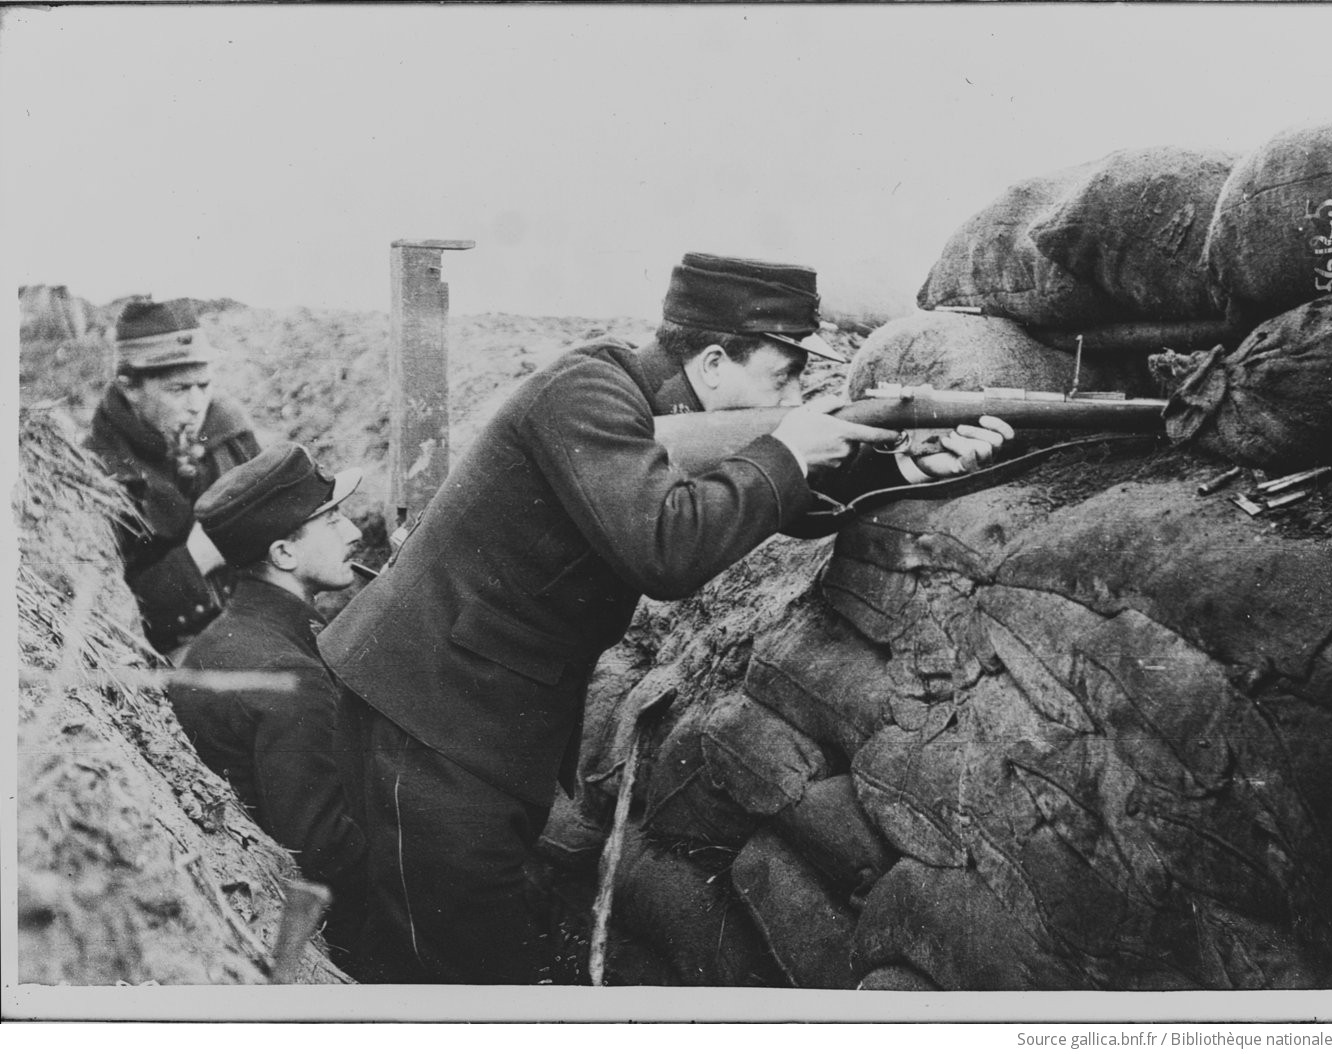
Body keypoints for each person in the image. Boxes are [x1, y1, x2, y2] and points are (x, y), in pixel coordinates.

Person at [320, 252, 1010, 984]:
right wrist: (784, 448)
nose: (800, 394)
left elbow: (766, 501)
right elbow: (669, 547)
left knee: (451, 931)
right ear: (714, 362)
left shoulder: (651, 405)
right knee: (451, 956)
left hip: (478, 713)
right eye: (785, 375)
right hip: (429, 711)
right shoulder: (586, 393)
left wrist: (901, 470)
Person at [168, 442, 368, 971]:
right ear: (283, 554)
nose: (353, 533)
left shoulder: (218, 639)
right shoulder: (289, 671)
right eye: (332, 520)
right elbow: (321, 850)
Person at [84, 298, 261, 655]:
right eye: (178, 389)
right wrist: (198, 556)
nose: (197, 404)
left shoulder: (231, 434)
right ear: (129, 386)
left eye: (204, 385)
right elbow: (109, 617)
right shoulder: (95, 473)